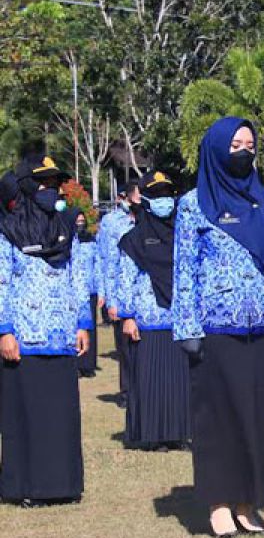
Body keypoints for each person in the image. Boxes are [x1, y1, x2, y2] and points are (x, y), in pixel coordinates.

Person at [173, 117, 264, 538]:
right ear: (215, 150)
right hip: (215, 328)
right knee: (218, 419)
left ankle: (249, 503)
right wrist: (187, 327)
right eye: (235, 144)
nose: (245, 151)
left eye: (250, 144)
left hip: (262, 326)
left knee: (256, 417)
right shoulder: (194, 204)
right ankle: (219, 504)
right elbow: (184, 270)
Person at [0, 154, 91, 507]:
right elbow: (2, 283)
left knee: (60, 415)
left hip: (62, 335)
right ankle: (27, 487)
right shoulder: (7, 230)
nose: (50, 190)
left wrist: (84, 323)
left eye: (54, 184)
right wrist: (4, 330)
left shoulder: (66, 227)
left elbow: (78, 278)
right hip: (24, 337)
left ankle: (62, 485)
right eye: (42, 183)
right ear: (25, 186)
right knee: (26, 415)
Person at [113, 170, 191, 451]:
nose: (163, 201)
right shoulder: (134, 239)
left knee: (179, 379)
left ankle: (179, 432)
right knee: (150, 379)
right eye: (156, 195)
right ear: (144, 199)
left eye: (167, 195)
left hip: (180, 319)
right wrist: (128, 316)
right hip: (147, 318)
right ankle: (152, 434)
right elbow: (125, 278)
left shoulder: (184, 235)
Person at [98, 182, 138, 405]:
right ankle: (127, 393)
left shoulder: (148, 218)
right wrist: (110, 299)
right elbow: (107, 261)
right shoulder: (111, 222)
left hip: (145, 294)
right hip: (120, 292)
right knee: (124, 349)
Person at [72, 209, 100, 377]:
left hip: (90, 290)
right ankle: (75, 364)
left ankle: (88, 365)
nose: (80, 225)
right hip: (74, 292)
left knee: (90, 327)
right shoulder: (68, 241)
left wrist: (100, 290)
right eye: (77, 222)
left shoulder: (92, 242)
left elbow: (97, 266)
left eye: (82, 221)